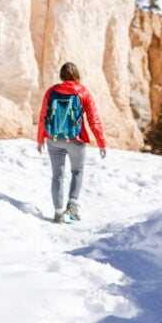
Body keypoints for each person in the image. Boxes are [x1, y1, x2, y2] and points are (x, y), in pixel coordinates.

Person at [35, 61, 107, 224]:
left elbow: (43, 117)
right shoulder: (83, 93)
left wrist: (40, 139)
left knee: (57, 176)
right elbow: (93, 119)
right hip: (76, 140)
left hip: (53, 139)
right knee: (77, 172)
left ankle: (58, 213)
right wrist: (101, 142)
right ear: (77, 76)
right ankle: (72, 204)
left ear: (61, 76)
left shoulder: (52, 91)